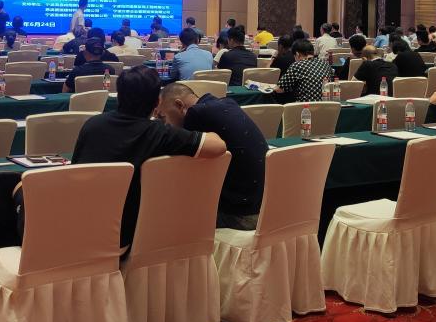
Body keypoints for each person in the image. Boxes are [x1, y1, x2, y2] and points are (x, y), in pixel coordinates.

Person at [41, 65, 227, 249]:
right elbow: (218, 146)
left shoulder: (92, 124)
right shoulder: (159, 133)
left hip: (76, 231)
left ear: (118, 96)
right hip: (124, 239)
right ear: (157, 102)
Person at [158, 82, 268, 230]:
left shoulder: (195, 114)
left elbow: (187, 169)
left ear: (179, 105)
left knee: (168, 216)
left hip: (241, 216)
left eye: (163, 117)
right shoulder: (226, 102)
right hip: (263, 208)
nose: (165, 124)